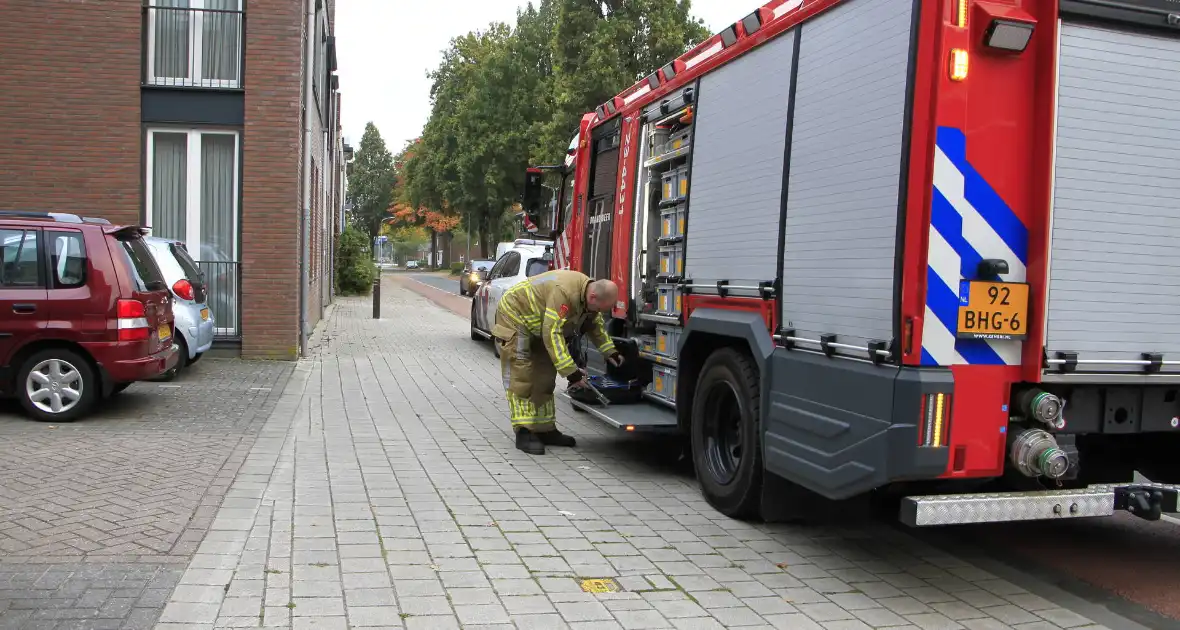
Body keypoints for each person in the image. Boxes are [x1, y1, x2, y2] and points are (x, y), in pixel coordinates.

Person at [492, 269, 623, 454]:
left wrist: (610, 351)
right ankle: (524, 431)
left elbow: (595, 324)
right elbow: (552, 333)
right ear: (593, 297)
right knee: (522, 378)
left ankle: (545, 430)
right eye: (600, 308)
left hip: (538, 324)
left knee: (545, 377)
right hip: (515, 317)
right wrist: (572, 372)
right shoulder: (564, 294)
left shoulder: (588, 296)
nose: (600, 312)